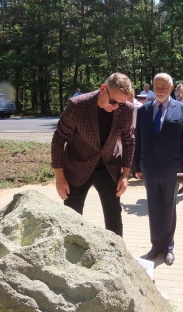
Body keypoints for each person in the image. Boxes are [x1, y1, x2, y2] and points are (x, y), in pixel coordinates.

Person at [51, 73, 135, 237]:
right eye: (113, 102)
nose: (116, 107)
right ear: (103, 89)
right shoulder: (78, 106)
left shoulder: (126, 109)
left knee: (114, 216)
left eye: (121, 103)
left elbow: (129, 141)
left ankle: (116, 255)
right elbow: (58, 140)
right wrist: (60, 178)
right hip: (77, 167)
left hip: (109, 167)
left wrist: (125, 174)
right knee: (71, 217)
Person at [133, 73, 183, 265]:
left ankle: (168, 247)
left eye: (163, 87)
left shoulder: (182, 109)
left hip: (172, 169)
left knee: (169, 208)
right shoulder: (143, 111)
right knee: (153, 207)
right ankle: (155, 245)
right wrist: (136, 165)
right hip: (149, 168)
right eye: (156, 86)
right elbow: (138, 140)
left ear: (172, 88)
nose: (159, 90)